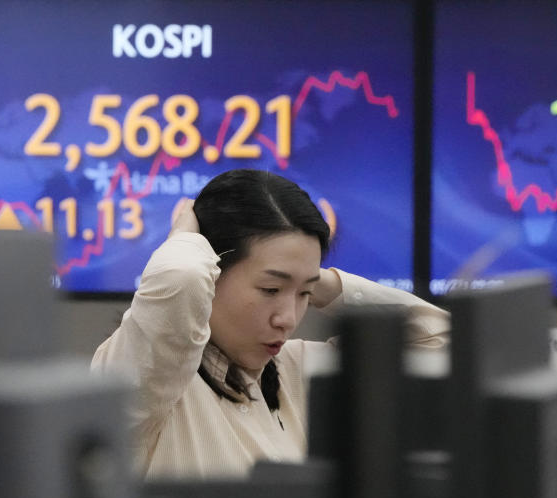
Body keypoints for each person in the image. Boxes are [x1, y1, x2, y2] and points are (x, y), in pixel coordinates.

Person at [91, 169, 449, 479]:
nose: (288, 319)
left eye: (303, 296)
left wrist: (318, 282)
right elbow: (180, 277)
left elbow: (444, 341)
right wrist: (187, 232)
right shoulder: (142, 380)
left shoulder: (296, 369)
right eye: (270, 289)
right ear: (211, 274)